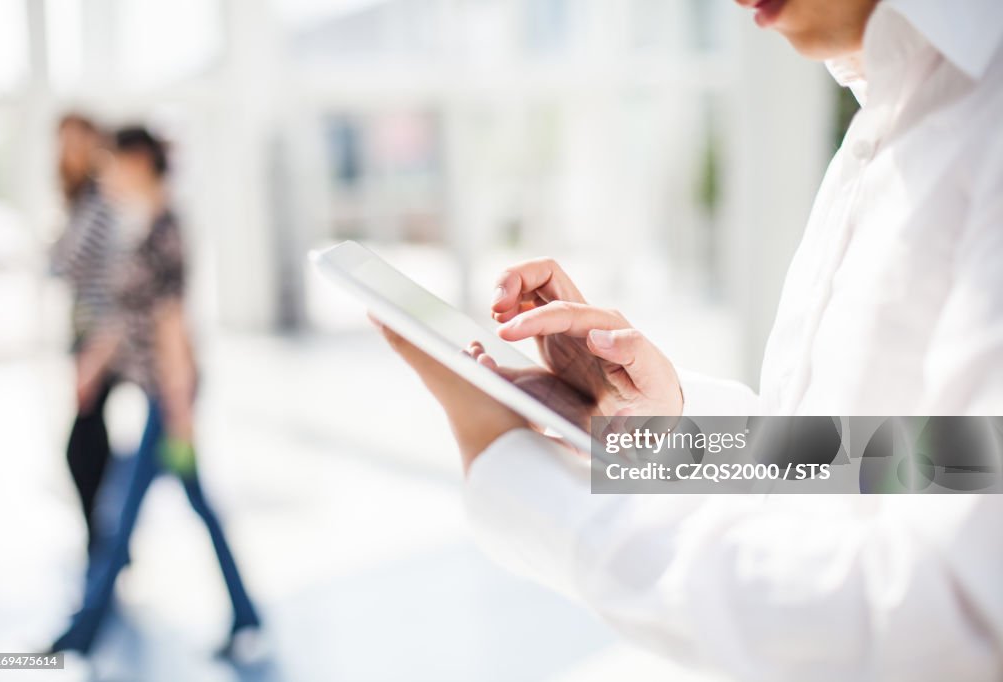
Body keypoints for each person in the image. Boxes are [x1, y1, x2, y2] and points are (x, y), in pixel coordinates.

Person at [377, 0, 1003, 679]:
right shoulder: (904, 110)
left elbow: (946, 615)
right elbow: (932, 461)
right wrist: (658, 431)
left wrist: (514, 474)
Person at [51, 127, 264, 662]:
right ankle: (245, 613)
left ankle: (83, 631)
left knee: (119, 513)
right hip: (158, 390)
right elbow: (128, 312)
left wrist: (178, 407)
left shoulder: (164, 229)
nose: (106, 177)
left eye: (113, 165)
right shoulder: (140, 225)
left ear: (141, 162)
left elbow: (171, 322)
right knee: (190, 505)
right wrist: (94, 363)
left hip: (168, 393)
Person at [50, 113, 119, 556]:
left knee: (81, 445)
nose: (69, 152)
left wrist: (98, 352)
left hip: (104, 337)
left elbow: (107, 275)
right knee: (92, 439)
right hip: (84, 334)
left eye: (78, 141)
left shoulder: (103, 200)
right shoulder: (75, 200)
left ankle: (104, 537)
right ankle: (106, 535)